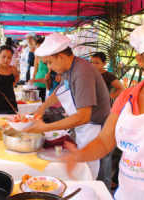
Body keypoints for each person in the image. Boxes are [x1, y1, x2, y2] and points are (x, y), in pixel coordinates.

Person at [63, 17, 144, 200]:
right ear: (140, 59)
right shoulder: (127, 96)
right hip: (125, 195)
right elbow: (105, 141)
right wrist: (79, 156)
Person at [23, 33, 112, 186]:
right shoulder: (69, 69)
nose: (49, 68)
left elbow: (83, 116)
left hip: (98, 129)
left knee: (96, 178)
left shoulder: (82, 73)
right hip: (87, 126)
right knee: (84, 168)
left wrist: (46, 127)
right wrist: (43, 107)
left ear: (61, 57)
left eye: (49, 62)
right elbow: (60, 91)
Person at [29, 36, 49, 102]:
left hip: (48, 84)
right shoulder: (37, 57)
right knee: (37, 103)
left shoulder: (50, 57)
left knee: (45, 103)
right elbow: (35, 71)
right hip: (37, 84)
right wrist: (33, 80)